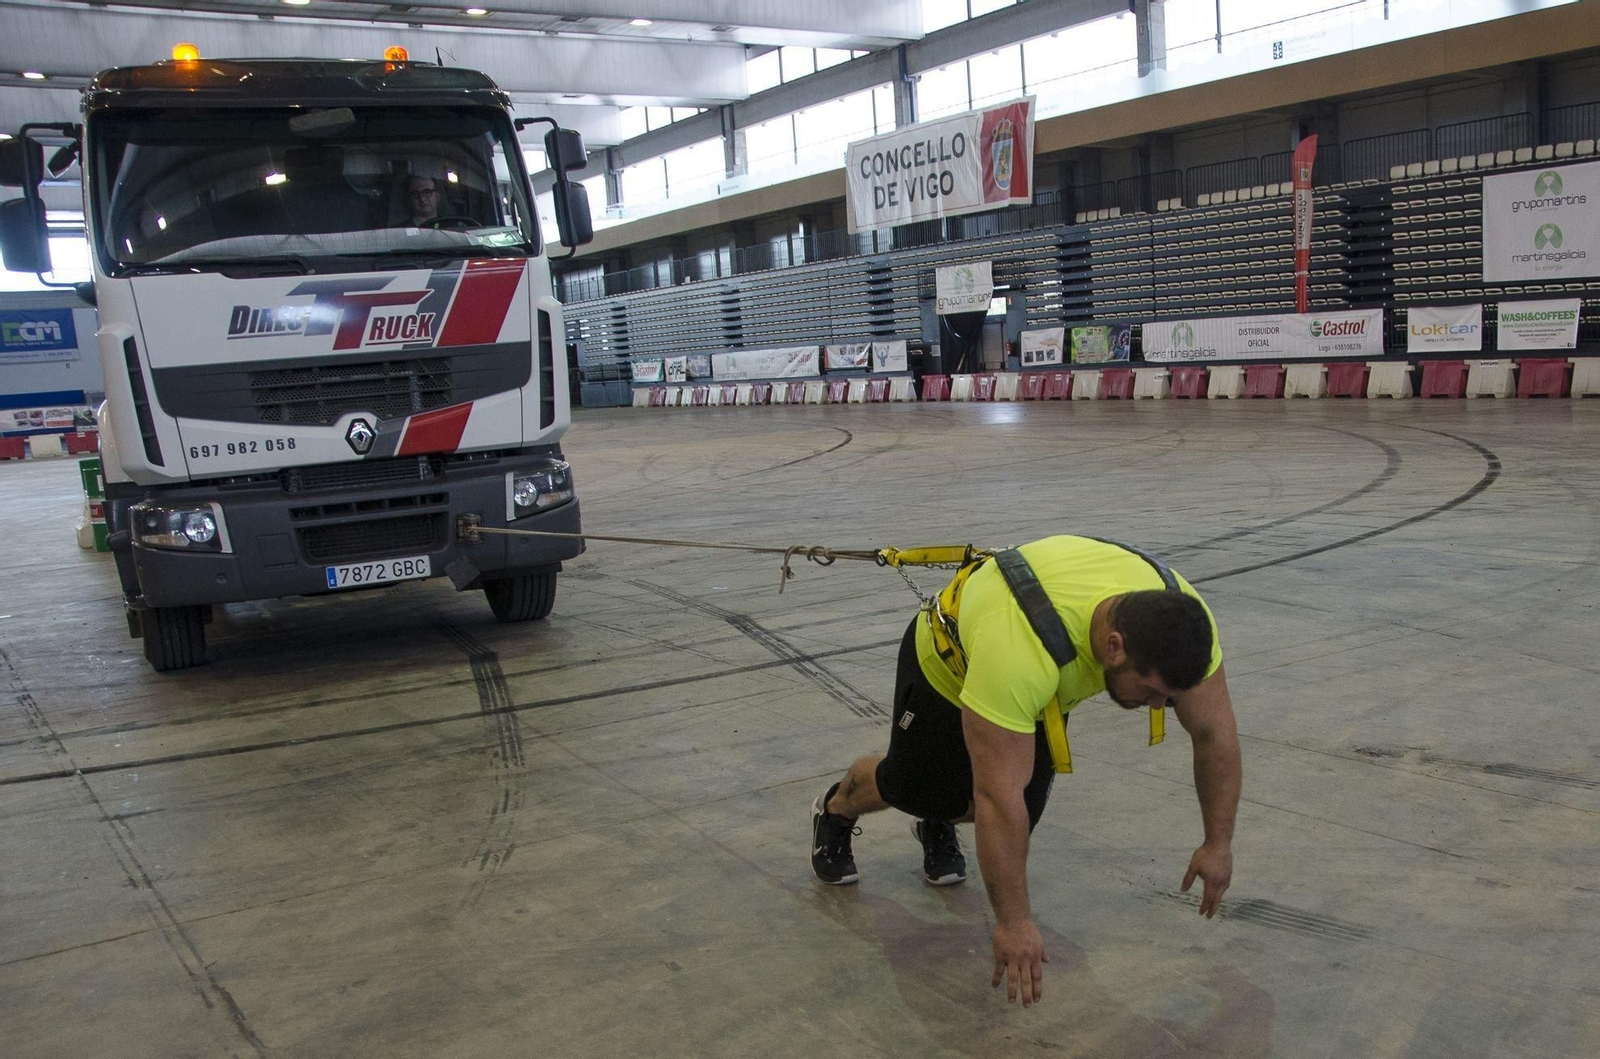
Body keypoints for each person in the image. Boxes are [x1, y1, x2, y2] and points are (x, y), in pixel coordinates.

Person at [809, 534, 1241, 1007]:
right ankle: (835, 809)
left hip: (1037, 689)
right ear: (1114, 647)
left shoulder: (1182, 622)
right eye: (1155, 691)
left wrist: (1218, 842)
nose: (1160, 706)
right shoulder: (1021, 650)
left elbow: (1215, 737)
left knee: (1006, 821)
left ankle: (942, 820)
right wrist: (1013, 924)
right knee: (924, 791)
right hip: (946, 670)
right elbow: (999, 796)